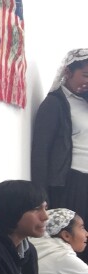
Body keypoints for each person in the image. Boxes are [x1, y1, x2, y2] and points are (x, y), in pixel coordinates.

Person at [31, 48, 88, 246]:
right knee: (76, 242)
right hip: (73, 182)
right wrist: (41, 197)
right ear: (67, 72)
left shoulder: (85, 102)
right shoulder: (55, 103)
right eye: (85, 75)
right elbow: (40, 153)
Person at [30, 208, 88, 274]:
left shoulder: (46, 247)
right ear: (66, 235)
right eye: (82, 228)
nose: (86, 233)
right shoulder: (61, 255)